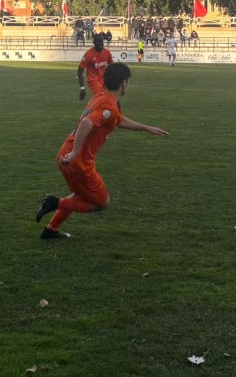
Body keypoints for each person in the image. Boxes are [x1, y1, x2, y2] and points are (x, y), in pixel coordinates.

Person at [35, 62, 168, 239]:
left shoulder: (101, 97)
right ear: (123, 83)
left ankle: (51, 229)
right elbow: (86, 123)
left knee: (80, 194)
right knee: (102, 203)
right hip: (78, 161)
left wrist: (147, 128)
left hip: (65, 154)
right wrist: (75, 153)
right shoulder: (109, 106)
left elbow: (118, 120)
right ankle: (55, 202)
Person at [78, 34, 114, 100]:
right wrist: (82, 88)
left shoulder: (107, 53)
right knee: (101, 98)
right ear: (94, 43)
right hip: (93, 80)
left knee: (109, 99)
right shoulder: (88, 54)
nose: (101, 44)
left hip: (104, 80)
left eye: (102, 42)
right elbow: (80, 71)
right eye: (98, 42)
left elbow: (112, 67)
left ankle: (94, 109)